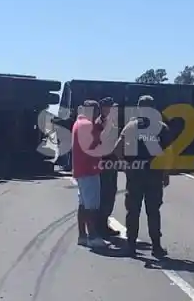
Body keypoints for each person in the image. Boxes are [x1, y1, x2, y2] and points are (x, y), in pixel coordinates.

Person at [112, 94, 171, 258]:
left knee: (133, 211)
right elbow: (167, 153)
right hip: (154, 174)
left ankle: (131, 246)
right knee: (153, 211)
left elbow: (117, 149)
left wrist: (125, 166)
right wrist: (166, 174)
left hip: (135, 173)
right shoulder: (161, 127)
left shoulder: (131, 126)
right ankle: (156, 247)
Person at [72, 100, 108, 248]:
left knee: (83, 204)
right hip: (89, 169)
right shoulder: (88, 125)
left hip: (81, 169)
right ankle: (93, 236)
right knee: (91, 206)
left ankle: (82, 235)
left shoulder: (79, 123)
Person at [96, 97, 121, 238]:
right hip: (104, 163)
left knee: (110, 193)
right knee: (105, 194)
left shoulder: (111, 123)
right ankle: (100, 226)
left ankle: (103, 224)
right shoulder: (100, 123)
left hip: (111, 163)